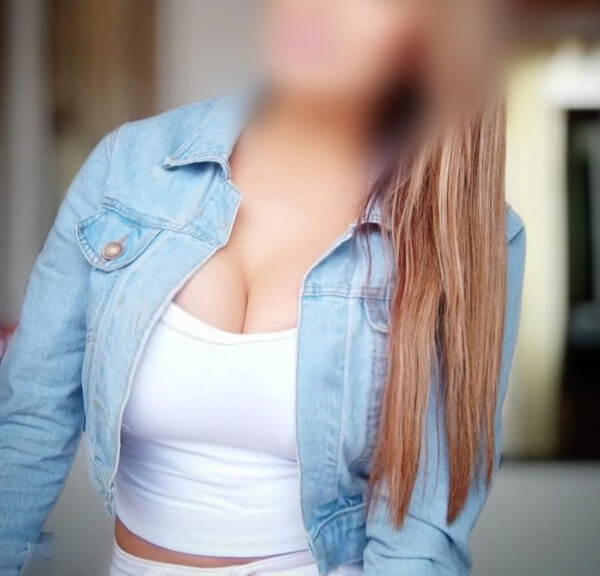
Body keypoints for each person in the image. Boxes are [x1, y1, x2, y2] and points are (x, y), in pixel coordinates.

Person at [0, 1, 525, 575]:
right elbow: (25, 429)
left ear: (429, 40)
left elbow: (419, 542)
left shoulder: (465, 236)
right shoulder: (127, 167)